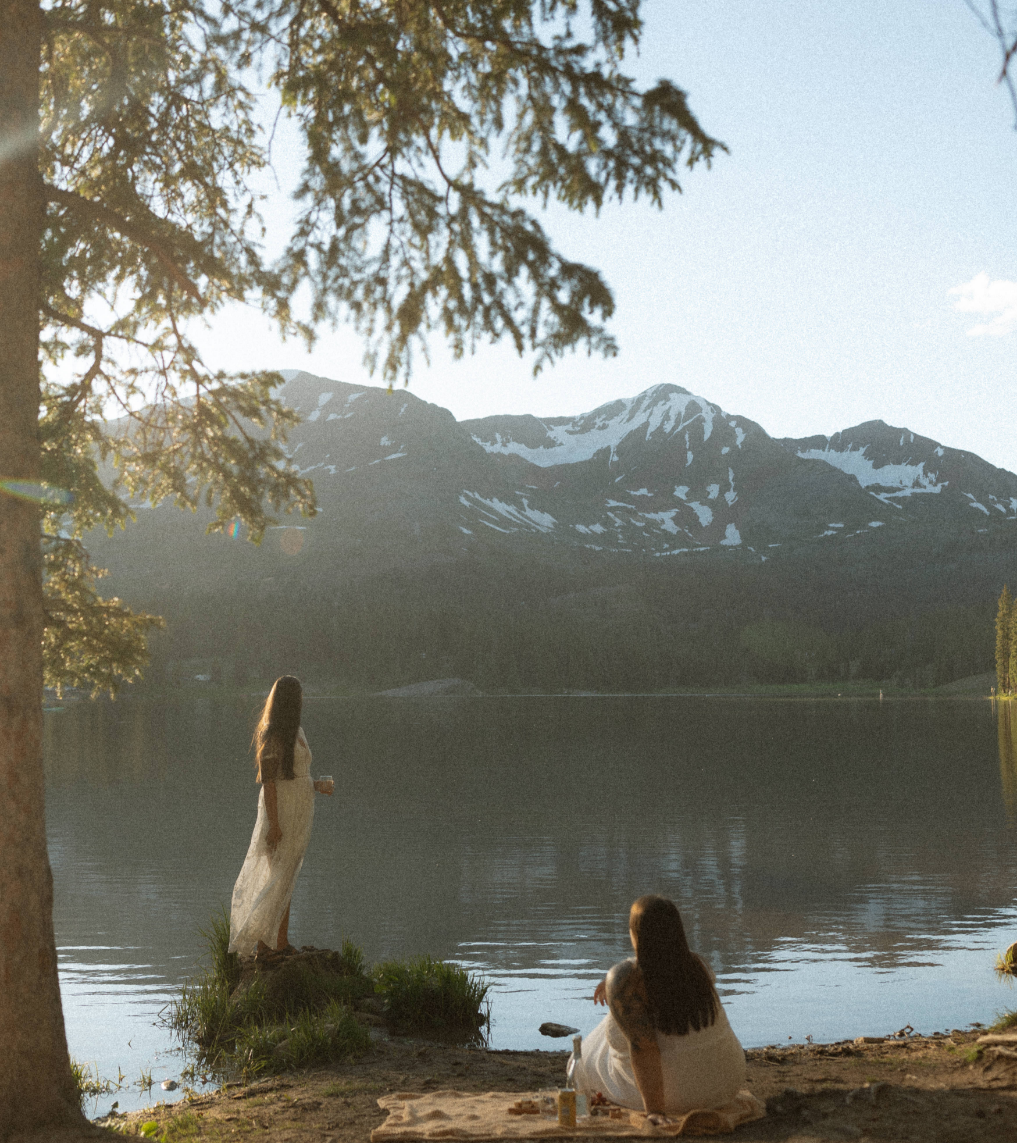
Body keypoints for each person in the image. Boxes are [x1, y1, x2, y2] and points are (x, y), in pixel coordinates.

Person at [571, 895, 746, 1122]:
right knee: (625, 1008)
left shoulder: (625, 978)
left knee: (581, 1060)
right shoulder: (698, 966)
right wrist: (616, 981)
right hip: (725, 1085)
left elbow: (645, 1049)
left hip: (675, 1098)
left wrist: (655, 1111)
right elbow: (660, 968)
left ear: (636, 934)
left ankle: (647, 1100)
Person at [229, 676, 333, 954]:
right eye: (298, 696)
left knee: (287, 876)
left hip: (301, 811)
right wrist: (273, 825)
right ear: (289, 700)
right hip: (282, 814)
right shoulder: (272, 734)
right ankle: (266, 944)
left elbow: (297, 775)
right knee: (277, 876)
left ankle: (279, 940)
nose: (302, 700)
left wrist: (316, 785)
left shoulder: (297, 731)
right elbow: (269, 782)